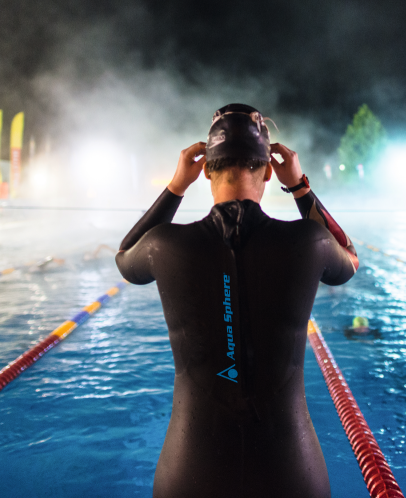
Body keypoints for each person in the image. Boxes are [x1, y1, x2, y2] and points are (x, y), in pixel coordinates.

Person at [115, 104, 358, 498]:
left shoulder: (166, 245)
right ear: (267, 170)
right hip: (292, 473)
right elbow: (349, 258)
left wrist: (176, 186)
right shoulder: (307, 242)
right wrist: (300, 187)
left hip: (189, 473)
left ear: (206, 170)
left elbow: (125, 256)